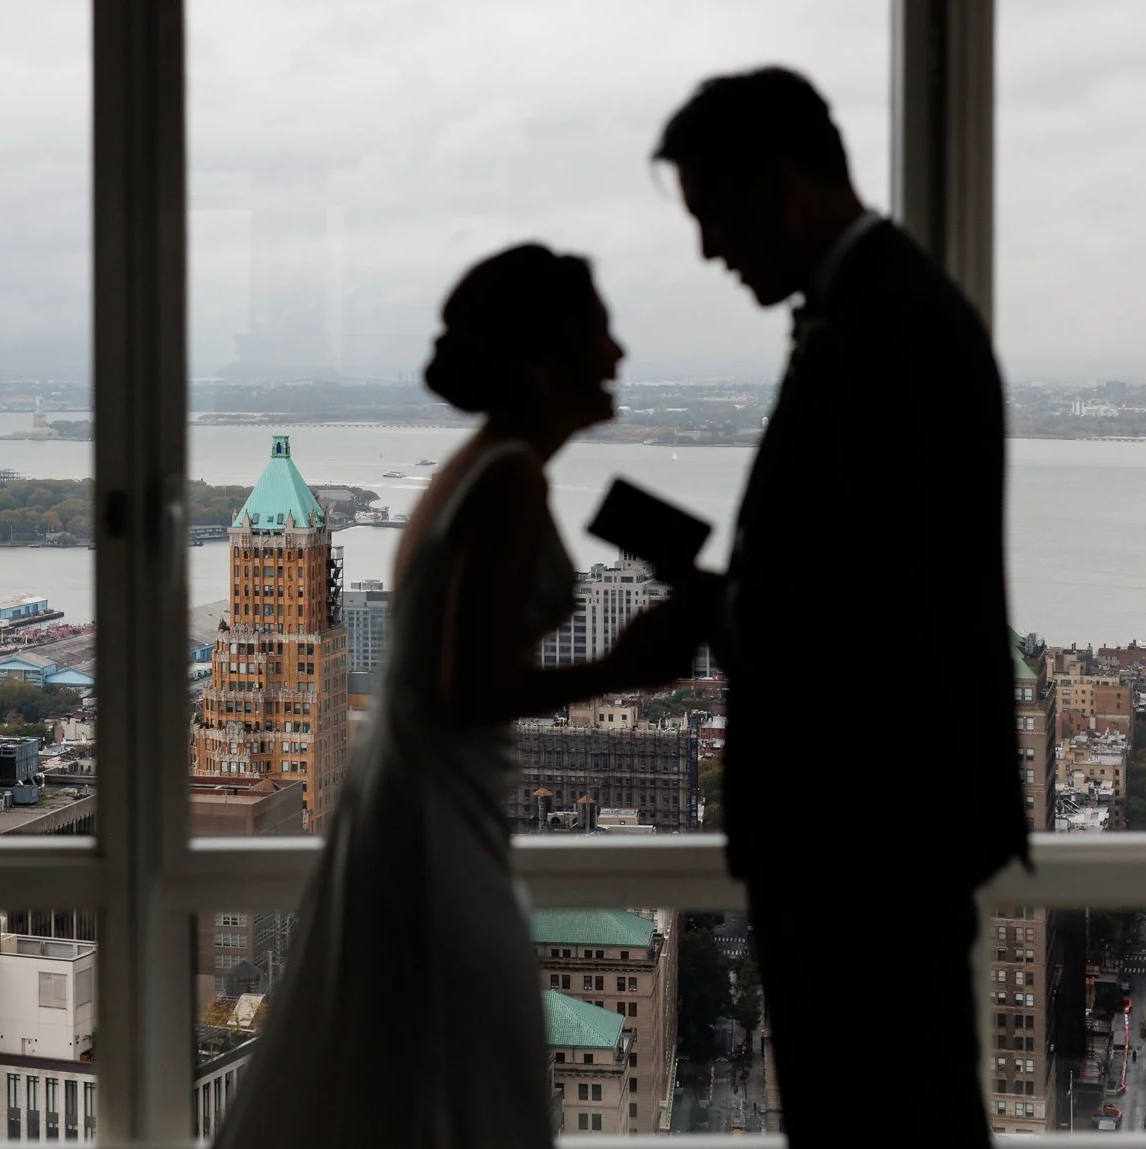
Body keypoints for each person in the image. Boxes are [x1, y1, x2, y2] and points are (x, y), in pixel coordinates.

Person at [214, 245, 707, 1148]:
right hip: (437, 814)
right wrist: (627, 663)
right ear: (540, 356)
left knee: (409, 1066)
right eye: (598, 330)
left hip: (423, 802)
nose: (619, 354)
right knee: (476, 1069)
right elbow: (462, 689)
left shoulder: (491, 468)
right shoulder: (506, 481)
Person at [653, 67, 1027, 1145]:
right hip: (870, 832)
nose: (710, 253)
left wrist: (732, 611)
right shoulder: (878, 312)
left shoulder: (888, 326)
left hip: (865, 836)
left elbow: (873, 613)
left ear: (782, 188)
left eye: (714, 217)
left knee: (884, 1117)